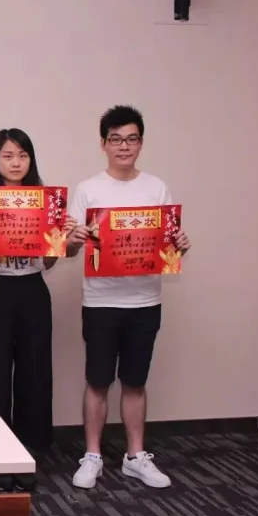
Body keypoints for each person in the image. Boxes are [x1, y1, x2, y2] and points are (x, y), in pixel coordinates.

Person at [65, 105, 191, 489]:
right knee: (98, 381)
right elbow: (67, 249)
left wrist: (179, 245)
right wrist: (74, 239)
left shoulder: (157, 188)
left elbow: (166, 245)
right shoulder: (88, 190)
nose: (124, 146)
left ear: (141, 143)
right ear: (103, 144)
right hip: (101, 302)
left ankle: (135, 456)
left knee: (135, 381)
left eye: (131, 139)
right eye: (116, 139)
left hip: (145, 301)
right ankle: (92, 456)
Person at [0, 128, 77, 492]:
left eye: (22, 155)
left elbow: (50, 263)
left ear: (31, 160)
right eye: (8, 156)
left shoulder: (45, 202)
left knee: (34, 374)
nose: (15, 163)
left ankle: (27, 453)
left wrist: (60, 238)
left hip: (33, 291)